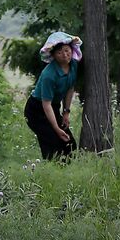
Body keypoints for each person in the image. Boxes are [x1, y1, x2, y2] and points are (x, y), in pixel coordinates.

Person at [23, 32, 82, 160]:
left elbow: (70, 88)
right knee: (53, 146)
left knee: (70, 145)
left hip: (53, 108)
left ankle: (69, 172)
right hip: (36, 111)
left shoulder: (73, 65)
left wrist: (66, 112)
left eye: (67, 50)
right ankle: (51, 174)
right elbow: (46, 104)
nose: (65, 55)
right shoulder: (49, 75)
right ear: (53, 55)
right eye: (59, 52)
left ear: (71, 49)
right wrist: (56, 128)